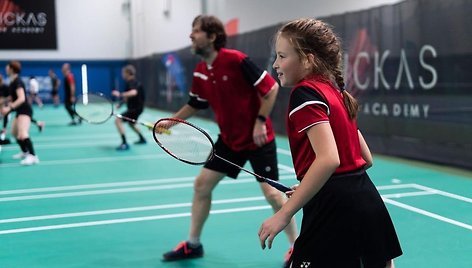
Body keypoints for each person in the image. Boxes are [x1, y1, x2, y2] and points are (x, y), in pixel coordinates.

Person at [258, 18, 402, 268]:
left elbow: (329, 159)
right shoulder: (337, 93)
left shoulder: (304, 94)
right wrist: (314, 187)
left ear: (307, 59)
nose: (275, 64)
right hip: (366, 199)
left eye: (282, 56)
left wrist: (284, 213)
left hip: (334, 210)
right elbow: (365, 159)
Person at [160, 15, 298, 267]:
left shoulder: (236, 60)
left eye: (196, 31)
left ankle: (296, 247)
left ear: (212, 37)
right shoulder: (201, 71)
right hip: (229, 141)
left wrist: (259, 120)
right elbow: (196, 104)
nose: (191, 35)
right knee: (202, 185)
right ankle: (193, 245)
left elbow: (270, 89)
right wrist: (172, 122)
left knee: (273, 194)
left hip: (258, 139)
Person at [0, 61, 39, 165]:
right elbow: (12, 97)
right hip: (19, 110)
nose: (6, 69)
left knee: (22, 134)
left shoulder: (18, 82)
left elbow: (21, 98)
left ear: (12, 69)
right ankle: (25, 152)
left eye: (7, 67)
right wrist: (3, 101)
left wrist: (9, 108)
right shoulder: (12, 82)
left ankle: (33, 156)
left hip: (25, 110)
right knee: (14, 133)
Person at [111, 64, 147, 151]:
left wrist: (119, 94)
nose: (122, 74)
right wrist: (121, 103)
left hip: (135, 109)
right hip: (136, 108)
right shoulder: (131, 83)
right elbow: (129, 97)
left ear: (127, 73)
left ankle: (124, 143)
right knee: (131, 124)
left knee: (118, 120)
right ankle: (142, 139)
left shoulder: (132, 82)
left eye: (123, 73)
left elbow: (134, 92)